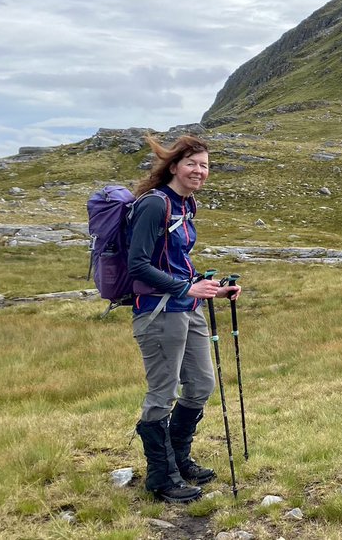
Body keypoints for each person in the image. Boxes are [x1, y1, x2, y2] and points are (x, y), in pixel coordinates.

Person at [128, 134, 240, 503]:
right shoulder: (154, 205)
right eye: (192, 163)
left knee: (202, 384)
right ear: (173, 166)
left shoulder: (185, 205)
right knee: (162, 393)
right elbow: (138, 266)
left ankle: (178, 458)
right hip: (159, 312)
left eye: (205, 165)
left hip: (186, 309)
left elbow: (175, 261)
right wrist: (184, 289)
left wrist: (212, 288)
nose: (200, 171)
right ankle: (160, 478)